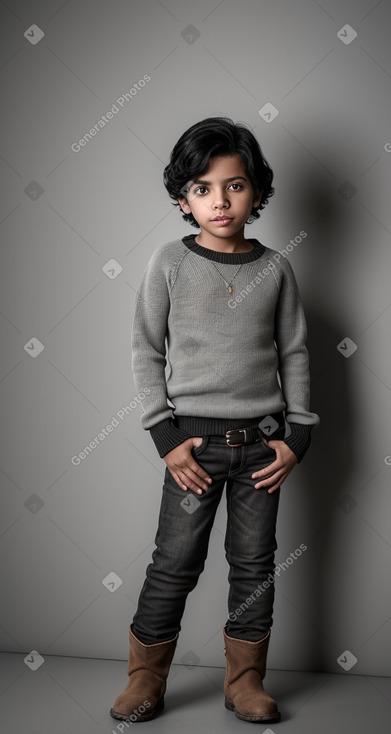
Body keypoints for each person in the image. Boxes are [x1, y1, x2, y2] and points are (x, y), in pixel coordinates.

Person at [110, 116, 320, 724]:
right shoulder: (168, 264)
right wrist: (165, 437)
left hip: (263, 445)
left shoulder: (276, 268)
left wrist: (297, 438)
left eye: (233, 185)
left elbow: (296, 353)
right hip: (191, 446)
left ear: (256, 191)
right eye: (202, 188)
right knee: (173, 563)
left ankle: (245, 681)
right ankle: (144, 678)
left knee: (255, 565)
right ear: (183, 198)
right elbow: (146, 350)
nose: (219, 200)